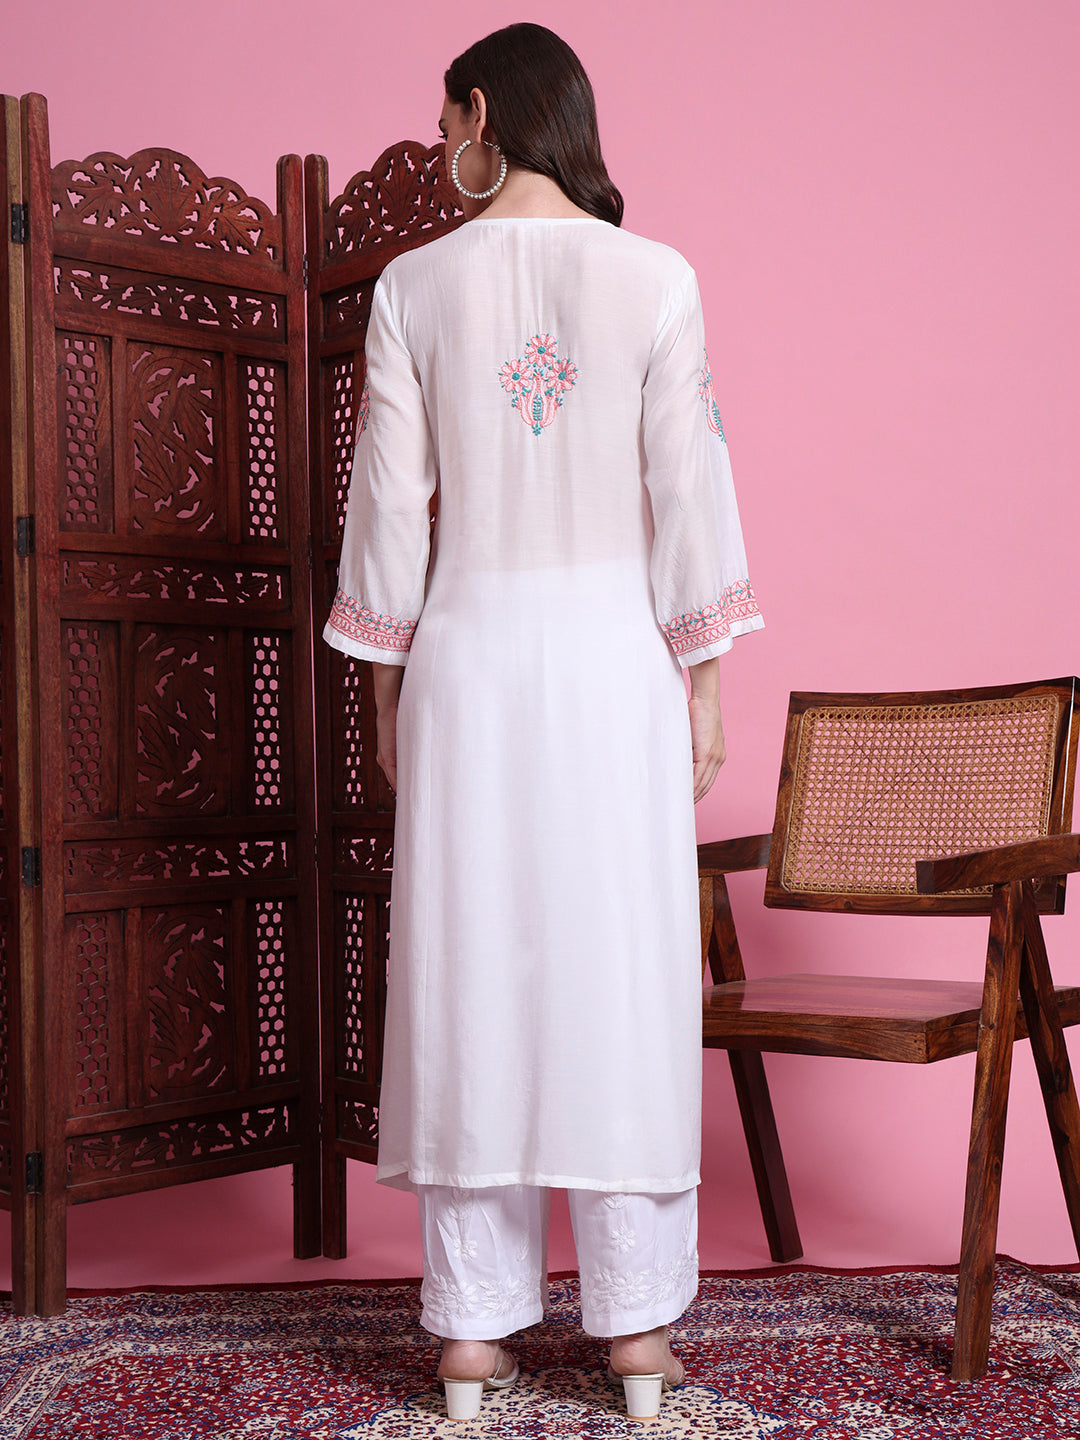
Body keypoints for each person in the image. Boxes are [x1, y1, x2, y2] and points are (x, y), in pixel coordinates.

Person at [322, 22, 763, 1423]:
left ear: (474, 113)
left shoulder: (411, 285)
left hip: (467, 661)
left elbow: (389, 513)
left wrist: (383, 691)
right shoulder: (656, 277)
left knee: (470, 977)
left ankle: (468, 1334)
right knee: (622, 978)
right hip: (607, 662)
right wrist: (703, 678)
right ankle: (635, 1339)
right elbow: (684, 495)